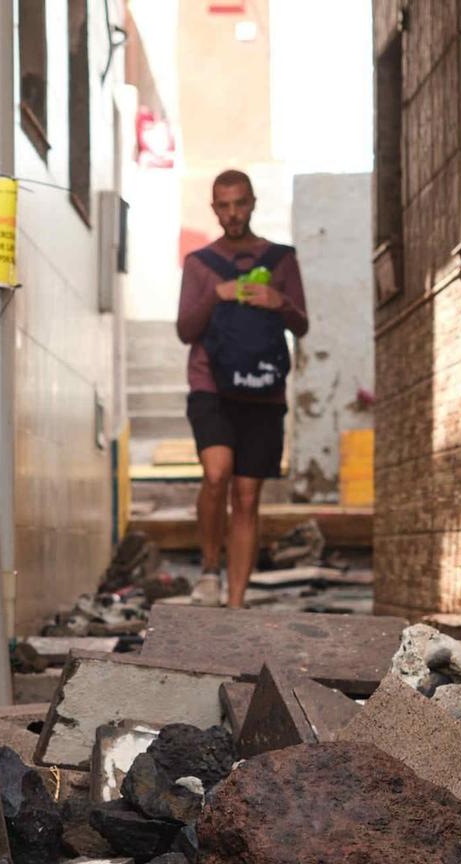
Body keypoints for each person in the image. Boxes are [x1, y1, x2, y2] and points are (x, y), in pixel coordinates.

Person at [174, 168, 309, 608]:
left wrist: (279, 301)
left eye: (240, 203)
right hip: (210, 384)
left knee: (247, 497)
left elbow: (301, 324)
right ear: (214, 209)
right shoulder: (199, 265)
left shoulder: (281, 260)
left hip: (263, 389)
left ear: (252, 203)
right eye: (224, 205)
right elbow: (185, 330)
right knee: (217, 475)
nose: (233, 214)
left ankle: (235, 604)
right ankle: (210, 569)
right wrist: (217, 294)